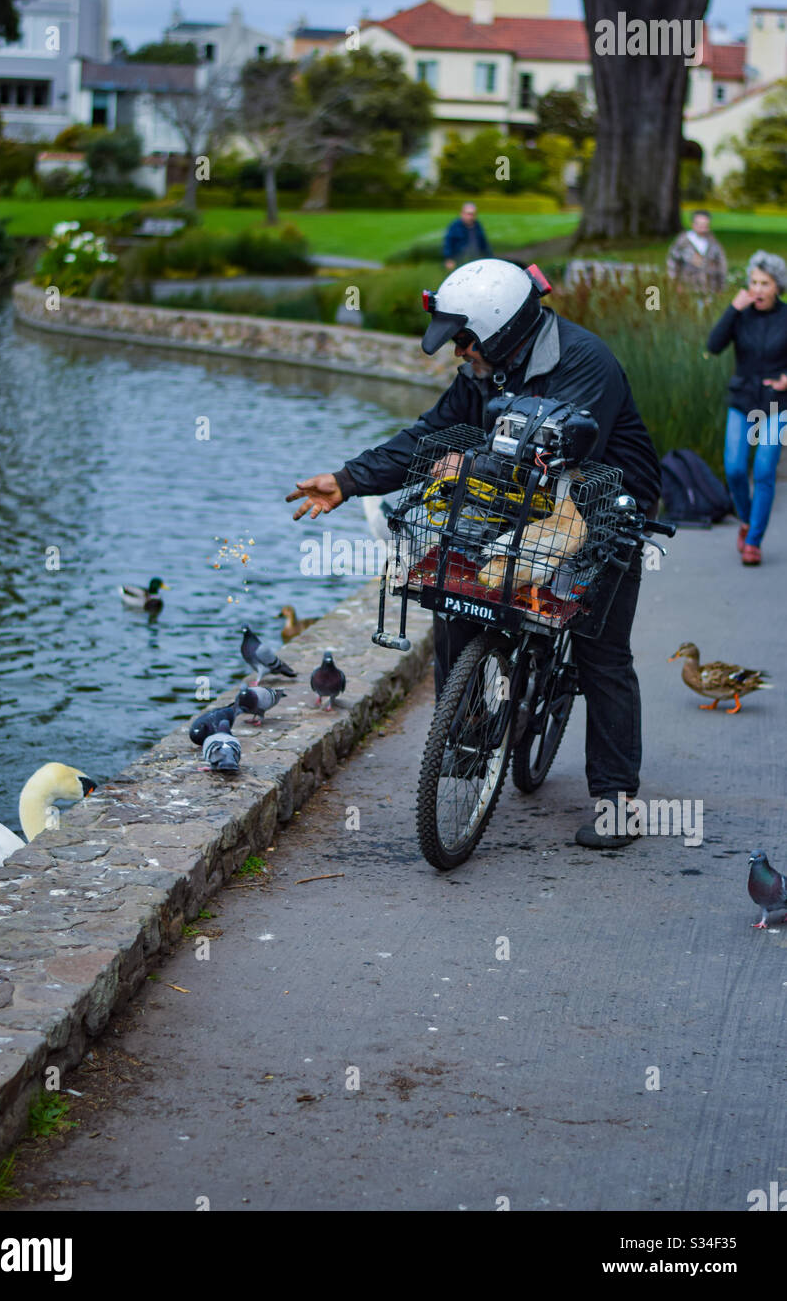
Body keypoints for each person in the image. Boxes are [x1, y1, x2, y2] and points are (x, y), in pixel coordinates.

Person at [286, 259, 662, 852]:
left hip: (601, 502)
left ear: (500, 332)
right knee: (458, 596)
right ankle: (465, 739)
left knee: (601, 650)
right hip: (520, 501)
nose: (458, 352)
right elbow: (432, 434)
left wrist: (477, 465)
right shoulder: (489, 369)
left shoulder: (585, 362)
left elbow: (557, 447)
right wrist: (348, 479)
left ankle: (618, 799)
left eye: (464, 340)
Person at [707, 250, 787, 565]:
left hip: (776, 404)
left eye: (764, 283)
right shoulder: (740, 314)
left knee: (765, 470)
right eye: (753, 282)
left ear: (777, 286)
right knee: (736, 468)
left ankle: (753, 541)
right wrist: (732, 309)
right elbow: (713, 346)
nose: (757, 289)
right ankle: (746, 518)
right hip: (742, 401)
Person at [666, 209, 728, 294]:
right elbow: (672, 262)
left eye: (705, 224)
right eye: (699, 223)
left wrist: (721, 286)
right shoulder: (683, 242)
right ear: (693, 224)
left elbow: (721, 265)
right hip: (687, 288)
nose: (702, 227)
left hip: (709, 289)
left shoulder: (713, 243)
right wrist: (675, 283)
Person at [442, 202, 492, 271]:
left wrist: (489, 257)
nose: (470, 217)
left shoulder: (477, 225)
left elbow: (483, 243)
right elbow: (448, 243)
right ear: (462, 213)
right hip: (460, 260)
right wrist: (449, 259)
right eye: (468, 214)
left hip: (475, 259)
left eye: (473, 214)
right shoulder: (455, 226)